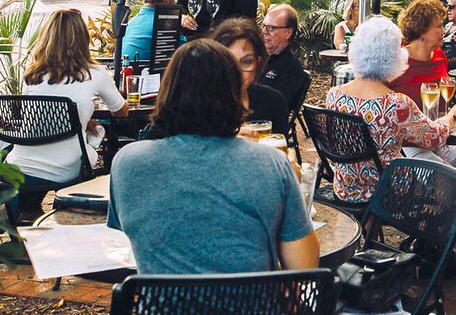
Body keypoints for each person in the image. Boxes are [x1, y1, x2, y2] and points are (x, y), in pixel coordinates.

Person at [109, 38, 319, 274]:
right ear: (239, 96)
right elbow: (305, 267)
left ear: (166, 92)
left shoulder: (127, 163)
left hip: (162, 296)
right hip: (252, 296)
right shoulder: (272, 164)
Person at [326, 17, 456, 276]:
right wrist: (453, 116)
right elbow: (433, 137)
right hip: (389, 193)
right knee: (450, 180)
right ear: (394, 57)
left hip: (346, 186)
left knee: (444, 168)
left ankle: (455, 242)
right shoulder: (395, 103)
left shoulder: (335, 95)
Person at [8, 9, 127, 215]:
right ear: (83, 38)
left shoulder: (32, 75)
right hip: (65, 168)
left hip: (20, 165)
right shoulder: (95, 74)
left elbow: (43, 115)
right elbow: (121, 111)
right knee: (95, 141)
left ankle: (26, 211)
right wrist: (86, 119)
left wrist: (82, 119)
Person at [210, 18, 291, 136]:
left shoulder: (273, 102)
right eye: (228, 62)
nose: (237, 72)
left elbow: (279, 145)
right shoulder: (198, 103)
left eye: (246, 62)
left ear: (258, 63)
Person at [389, 0, 449, 108]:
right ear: (421, 30)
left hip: (440, 119)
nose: (443, 31)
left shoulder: (440, 55)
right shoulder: (396, 60)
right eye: (439, 26)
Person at [260, 4, 310, 108]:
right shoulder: (259, 58)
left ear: (288, 33)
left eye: (270, 28)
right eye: (263, 26)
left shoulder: (293, 69)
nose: (264, 31)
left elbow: (275, 107)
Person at [121, 0, 175, 64]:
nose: (175, 3)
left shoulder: (131, 22)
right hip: (148, 70)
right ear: (166, 0)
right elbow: (185, 50)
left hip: (124, 68)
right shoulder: (164, 23)